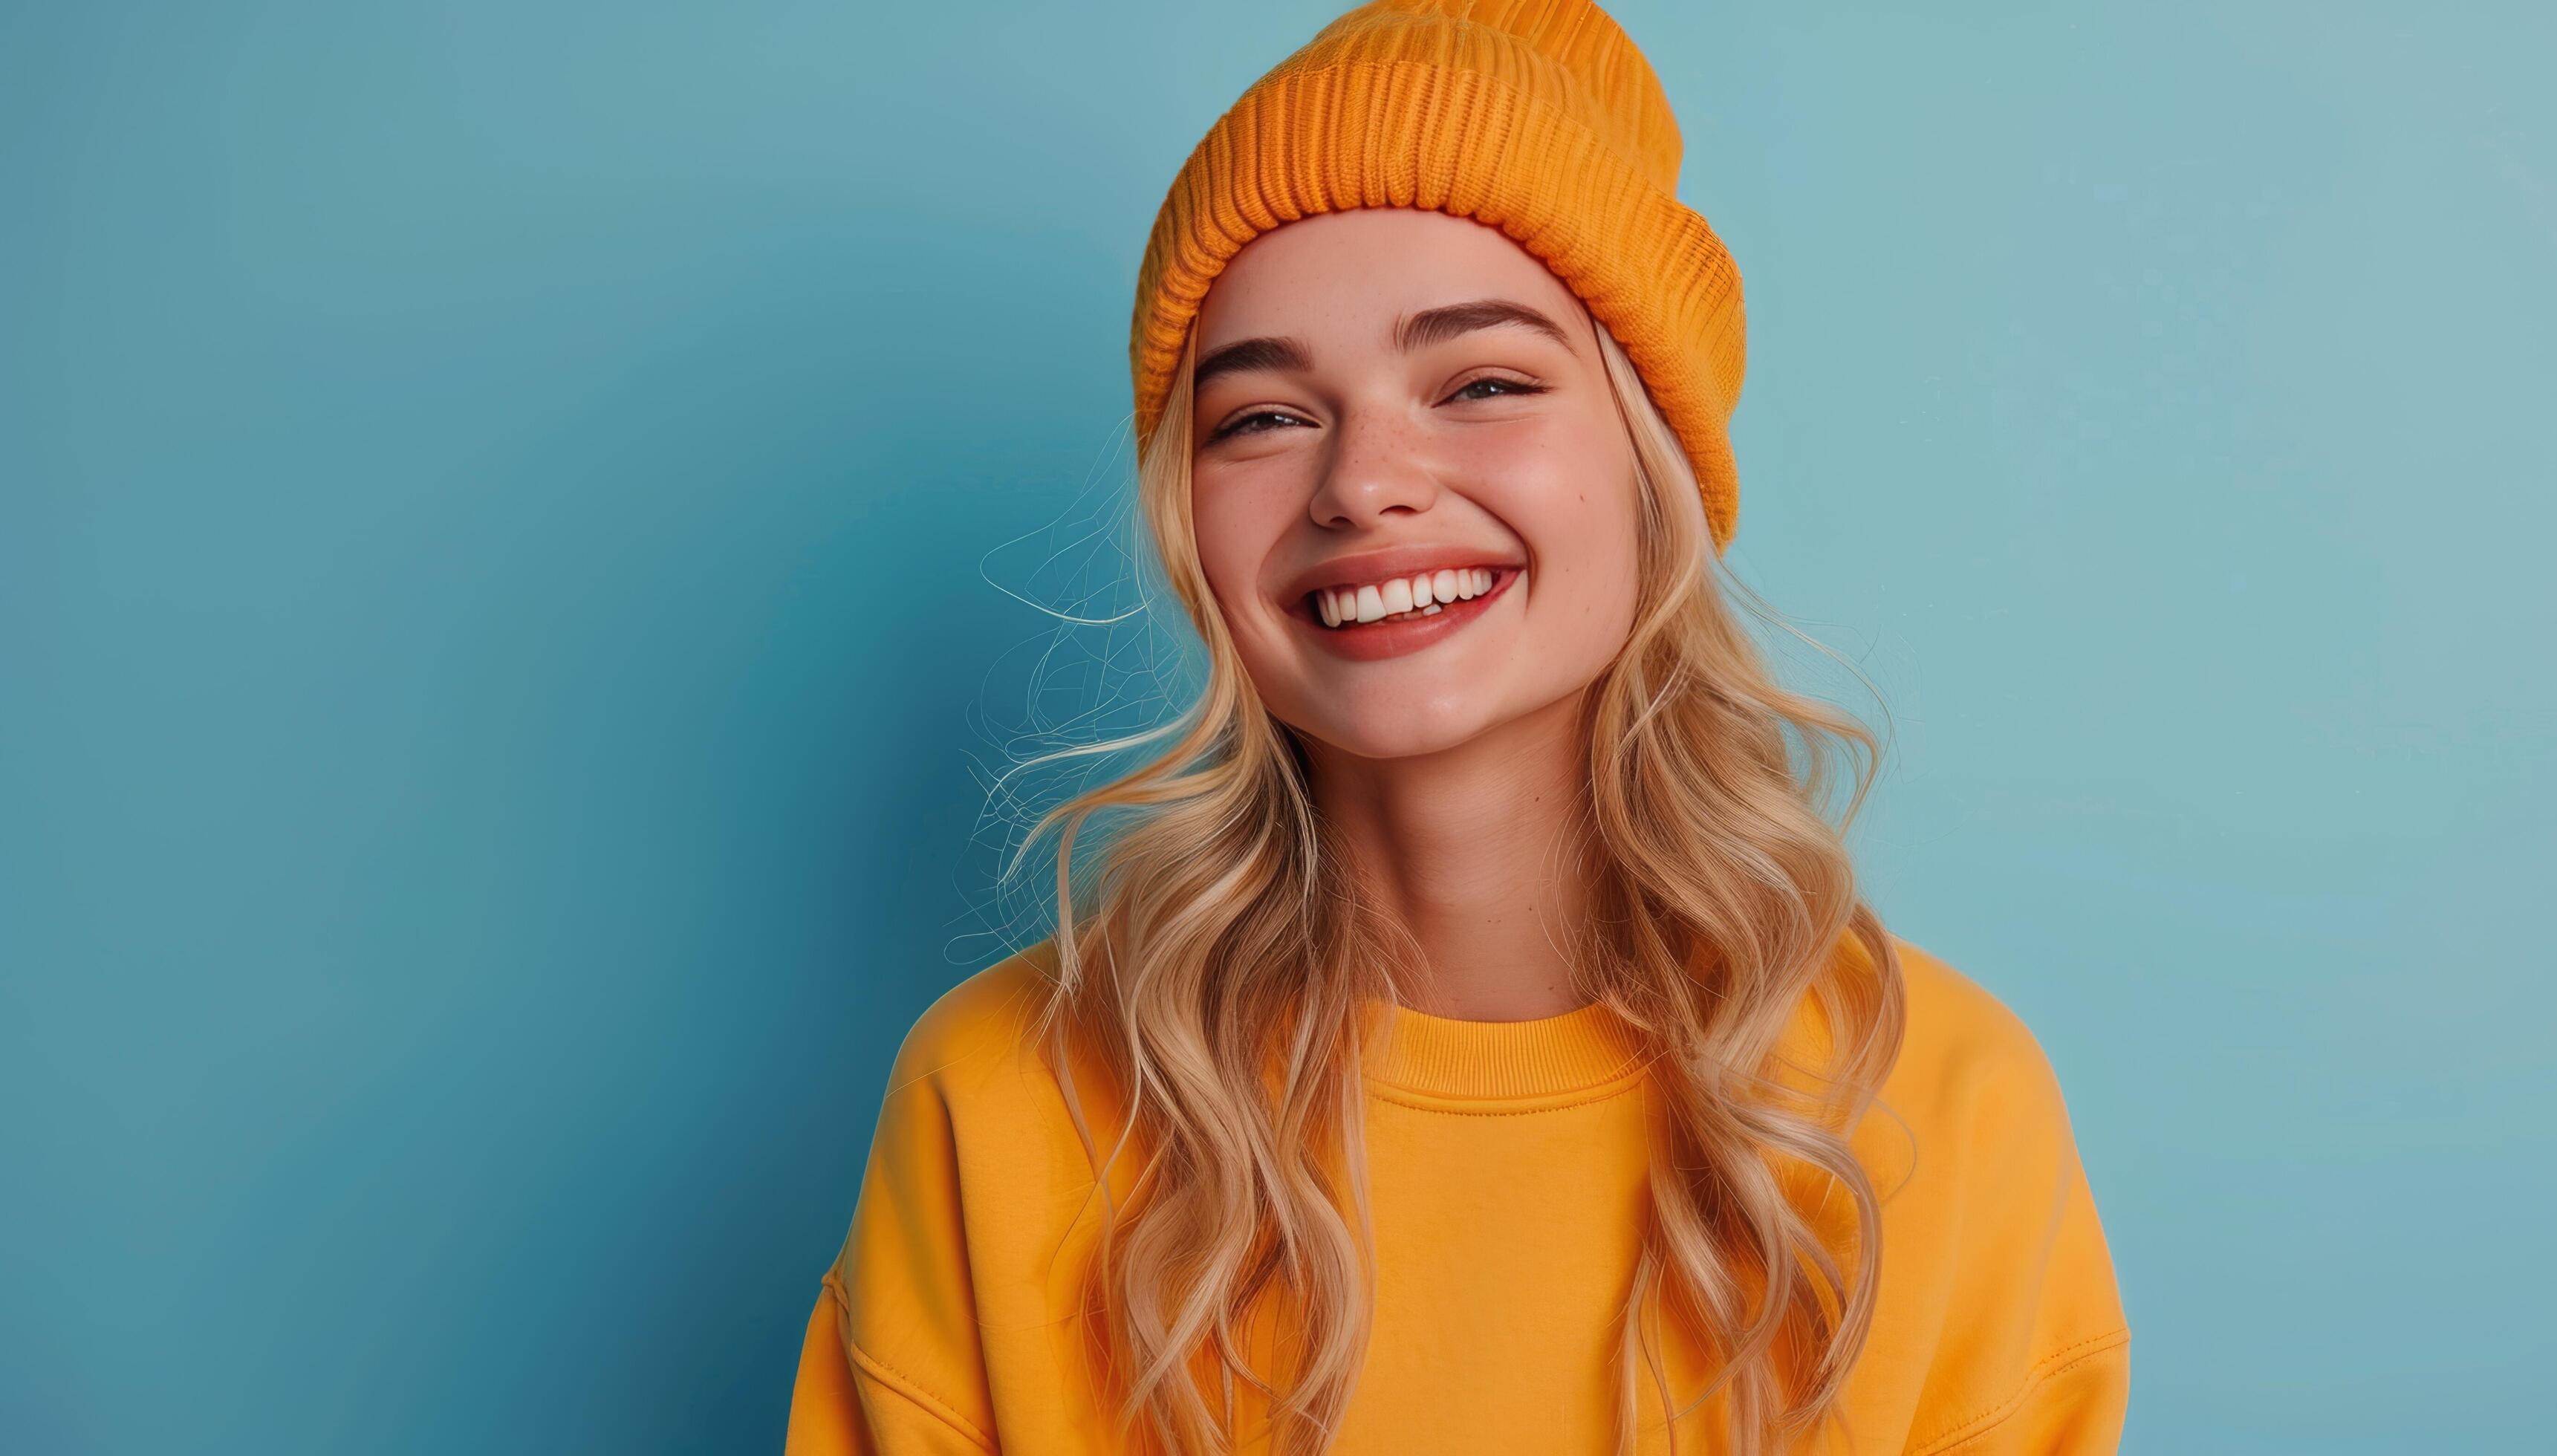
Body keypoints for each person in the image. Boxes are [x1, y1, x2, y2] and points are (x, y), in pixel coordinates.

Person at [784, 2, 2128, 1452]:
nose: (1363, 481)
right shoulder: (996, 1095)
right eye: (1260, 417)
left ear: (1650, 458)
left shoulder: (1944, 1104)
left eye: (1482, 382)